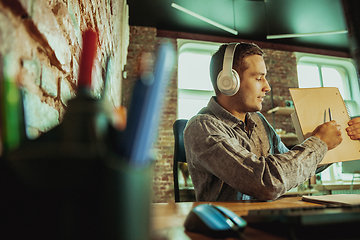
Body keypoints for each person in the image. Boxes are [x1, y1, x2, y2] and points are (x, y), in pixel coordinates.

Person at [183, 42, 343, 201]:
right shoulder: (202, 126)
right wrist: (318, 143)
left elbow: (288, 167)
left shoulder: (258, 121)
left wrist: (337, 140)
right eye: (259, 78)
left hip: (263, 216)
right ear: (229, 82)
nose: (267, 87)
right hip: (226, 223)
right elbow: (266, 183)